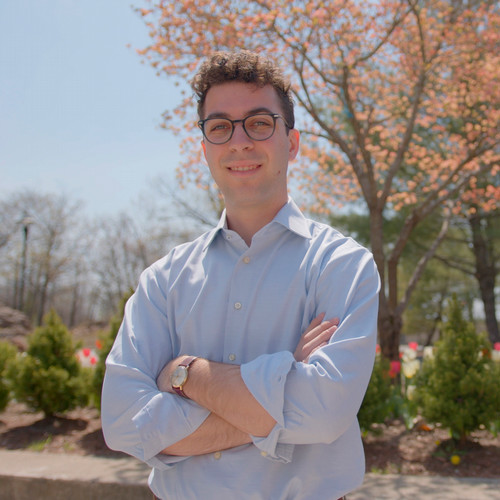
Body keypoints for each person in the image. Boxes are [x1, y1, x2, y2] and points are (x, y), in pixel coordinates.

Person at [101, 50, 380, 500]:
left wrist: (186, 376)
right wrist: (284, 385)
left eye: (259, 123)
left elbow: (326, 414)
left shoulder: (342, 264)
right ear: (205, 149)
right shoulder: (161, 280)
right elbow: (122, 423)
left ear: (291, 142)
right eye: (219, 127)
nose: (239, 141)